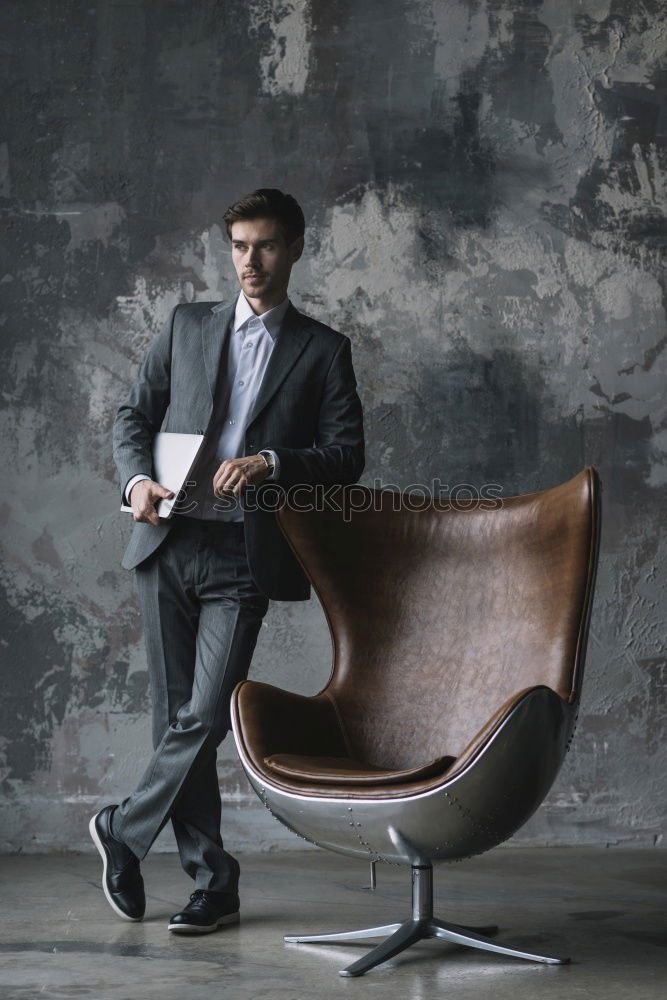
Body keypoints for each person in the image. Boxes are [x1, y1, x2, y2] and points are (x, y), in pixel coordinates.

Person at [90, 188, 365, 934]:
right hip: (169, 543)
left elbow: (346, 458)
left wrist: (272, 462)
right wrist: (135, 480)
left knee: (204, 715)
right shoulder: (186, 325)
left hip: (245, 554)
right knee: (173, 723)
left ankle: (122, 828)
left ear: (296, 249)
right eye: (240, 246)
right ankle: (213, 882)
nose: (251, 261)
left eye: (267, 245)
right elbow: (132, 416)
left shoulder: (323, 350)